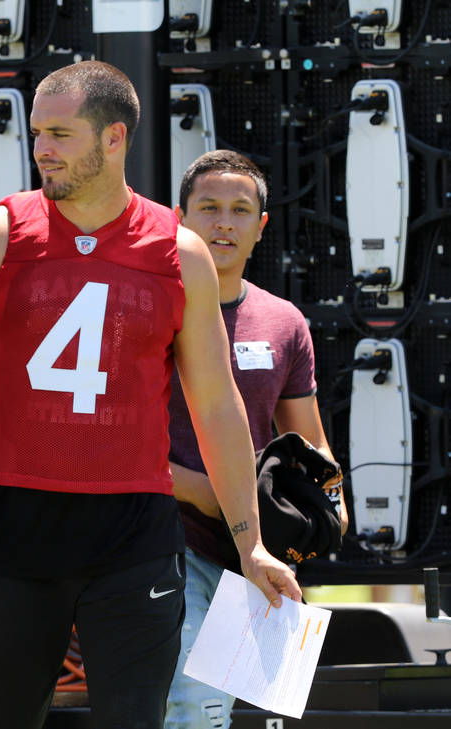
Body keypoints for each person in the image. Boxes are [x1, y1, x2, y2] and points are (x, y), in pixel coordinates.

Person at [0, 60, 302, 729]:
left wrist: (250, 542)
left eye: (60, 133)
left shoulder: (179, 252)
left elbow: (215, 403)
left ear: (113, 138)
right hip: (14, 523)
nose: (42, 148)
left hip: (134, 533)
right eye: (37, 133)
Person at [163, 150, 349, 729]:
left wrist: (324, 508)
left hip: (255, 554)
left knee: (244, 715)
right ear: (179, 219)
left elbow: (308, 443)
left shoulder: (284, 321)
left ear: (260, 227)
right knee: (192, 706)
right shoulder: (149, 310)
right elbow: (107, 436)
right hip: (166, 543)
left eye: (240, 210)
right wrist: (198, 491)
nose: (224, 223)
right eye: (209, 208)